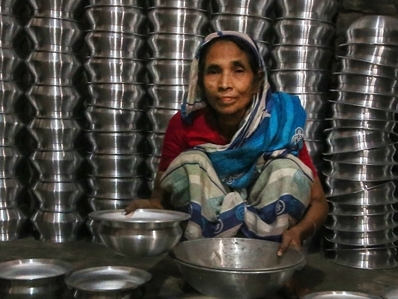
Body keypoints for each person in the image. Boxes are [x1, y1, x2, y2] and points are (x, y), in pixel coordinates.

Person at [126, 31, 327, 264]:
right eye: (213, 71)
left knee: (287, 168)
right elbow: (161, 199)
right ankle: (202, 264)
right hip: (205, 250)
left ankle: (271, 264)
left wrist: (298, 232)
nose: (224, 84)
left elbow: (319, 202)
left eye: (238, 71)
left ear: (257, 81)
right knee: (192, 163)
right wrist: (147, 210)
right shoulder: (184, 125)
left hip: (267, 248)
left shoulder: (279, 123)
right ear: (200, 81)